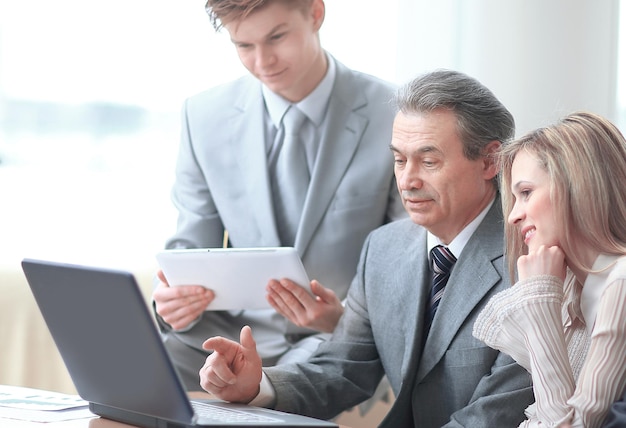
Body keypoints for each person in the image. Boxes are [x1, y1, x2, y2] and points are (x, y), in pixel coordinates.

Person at [198, 69, 535, 427]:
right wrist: (256, 385)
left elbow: (493, 416)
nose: (407, 181)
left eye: (429, 161)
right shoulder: (383, 248)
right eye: (400, 159)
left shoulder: (530, 261)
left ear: (490, 162)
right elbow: (342, 368)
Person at [152, 0, 405, 390]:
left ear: (316, 14)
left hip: (329, 337)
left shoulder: (396, 114)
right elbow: (188, 247)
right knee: (127, 383)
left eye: (277, 37)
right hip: (222, 335)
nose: (262, 61)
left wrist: (345, 321)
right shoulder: (203, 116)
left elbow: (408, 266)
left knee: (279, 392)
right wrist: (172, 302)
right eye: (243, 46)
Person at [473, 111, 626, 428]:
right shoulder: (576, 291)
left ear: (579, 186)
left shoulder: (621, 283)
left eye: (526, 192)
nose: (514, 215)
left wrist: (539, 299)